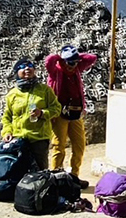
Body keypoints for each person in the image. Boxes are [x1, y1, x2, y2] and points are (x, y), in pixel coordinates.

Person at [44, 44, 97, 187]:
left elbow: (92, 58)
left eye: (75, 63)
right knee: (58, 145)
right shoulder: (56, 71)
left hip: (75, 113)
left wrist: (75, 56)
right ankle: (56, 174)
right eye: (69, 62)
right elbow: (48, 61)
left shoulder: (77, 70)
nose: (72, 66)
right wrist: (60, 56)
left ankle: (74, 174)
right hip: (59, 114)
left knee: (79, 144)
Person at [1, 57, 62, 170]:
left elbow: (57, 108)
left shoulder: (44, 90)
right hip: (18, 139)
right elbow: (7, 117)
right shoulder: (12, 94)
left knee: (40, 171)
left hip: (39, 139)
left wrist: (42, 113)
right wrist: (7, 132)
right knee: (19, 170)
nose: (27, 68)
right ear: (16, 72)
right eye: (22, 67)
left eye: (30, 66)